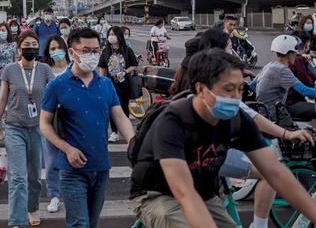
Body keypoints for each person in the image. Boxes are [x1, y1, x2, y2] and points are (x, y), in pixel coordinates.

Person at [130, 48, 316, 228]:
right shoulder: (173, 122)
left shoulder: (236, 119)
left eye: (240, 89)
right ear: (201, 88)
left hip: (205, 195)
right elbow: (184, 192)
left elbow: (276, 173)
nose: (236, 97)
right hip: (158, 196)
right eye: (228, 89)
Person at [173, 29, 313, 227]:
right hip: (203, 157)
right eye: (230, 48)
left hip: (207, 153)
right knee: (269, 173)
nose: (234, 53)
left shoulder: (199, 77)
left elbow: (250, 105)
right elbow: (252, 116)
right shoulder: (215, 90)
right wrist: (287, 133)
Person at [40, 27, 135, 228]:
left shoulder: (106, 85)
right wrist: (67, 149)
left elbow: (120, 116)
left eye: (95, 50)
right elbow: (45, 124)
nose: (92, 55)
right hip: (71, 169)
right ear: (72, 52)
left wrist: (133, 142)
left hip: (100, 167)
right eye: (86, 50)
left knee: (92, 223)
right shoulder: (57, 85)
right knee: (79, 224)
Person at [0, 30, 54, 227]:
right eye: (26, 46)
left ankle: (32, 208)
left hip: (37, 127)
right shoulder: (10, 69)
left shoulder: (44, 69)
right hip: (14, 127)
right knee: (18, 177)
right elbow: (2, 100)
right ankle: (17, 220)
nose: (30, 49)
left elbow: (54, 97)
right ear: (19, 49)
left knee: (34, 176)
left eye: (34, 45)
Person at [40, 34, 70, 213]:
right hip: (51, 121)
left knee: (72, 158)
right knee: (51, 162)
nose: (56, 52)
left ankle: (72, 192)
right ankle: (54, 196)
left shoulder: (74, 68)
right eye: (52, 49)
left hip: (72, 121)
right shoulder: (45, 70)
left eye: (58, 47)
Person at [256, 35, 316, 120]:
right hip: (275, 113)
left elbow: (253, 85)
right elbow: (304, 91)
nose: (296, 55)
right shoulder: (282, 70)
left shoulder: (269, 65)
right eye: (295, 52)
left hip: (264, 111)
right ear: (290, 54)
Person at [98, 26, 138, 143]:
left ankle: (124, 130)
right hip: (110, 84)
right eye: (109, 34)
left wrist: (125, 72)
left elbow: (134, 64)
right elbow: (102, 67)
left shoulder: (127, 50)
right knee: (111, 108)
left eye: (113, 34)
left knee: (124, 107)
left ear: (119, 36)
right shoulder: (106, 51)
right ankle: (114, 132)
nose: (111, 36)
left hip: (124, 84)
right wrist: (101, 81)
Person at [0, 22, 17, 121]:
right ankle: (0, 129)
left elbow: (17, 61)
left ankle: (8, 130)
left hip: (11, 80)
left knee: (9, 108)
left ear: (8, 32)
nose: (1, 32)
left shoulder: (13, 45)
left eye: (3, 30)